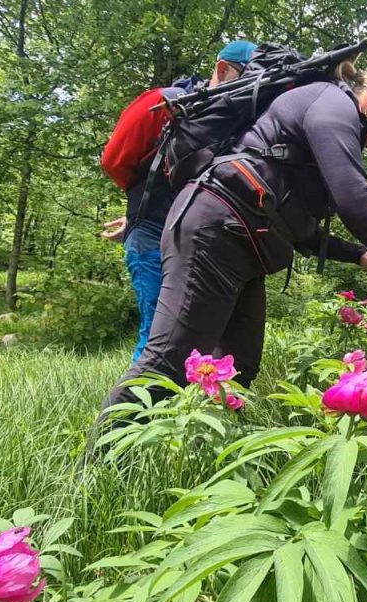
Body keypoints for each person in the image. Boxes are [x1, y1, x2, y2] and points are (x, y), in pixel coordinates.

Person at [101, 59, 367, 412]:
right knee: (167, 362)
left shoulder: (330, 126)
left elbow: (300, 229)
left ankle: (199, 454)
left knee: (237, 366)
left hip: (243, 241)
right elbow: (355, 202)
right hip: (214, 232)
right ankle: (97, 461)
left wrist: (359, 255)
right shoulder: (331, 104)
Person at [100, 40, 257, 363]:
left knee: (194, 341)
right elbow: (114, 160)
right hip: (152, 234)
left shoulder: (232, 124)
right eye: (243, 77)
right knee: (157, 337)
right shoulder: (163, 102)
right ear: (222, 69)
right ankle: (131, 413)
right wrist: (140, 209)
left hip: (196, 241)